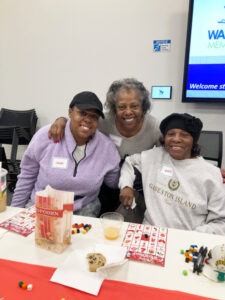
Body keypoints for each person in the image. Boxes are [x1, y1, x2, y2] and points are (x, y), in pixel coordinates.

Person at [48, 78, 161, 222]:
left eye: (134, 106)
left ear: (143, 106)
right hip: (106, 182)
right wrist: (62, 120)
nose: (128, 112)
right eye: (121, 107)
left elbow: (169, 149)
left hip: (136, 186)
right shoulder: (103, 122)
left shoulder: (154, 126)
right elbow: (79, 123)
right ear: (114, 107)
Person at [11, 91, 121, 217]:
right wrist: (15, 212)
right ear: (70, 112)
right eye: (83, 113)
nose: (88, 120)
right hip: (44, 205)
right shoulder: (46, 136)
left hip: (84, 208)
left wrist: (128, 180)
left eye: (94, 117)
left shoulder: (106, 147)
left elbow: (114, 181)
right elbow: (27, 176)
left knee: (82, 237)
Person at [119, 113, 225, 235]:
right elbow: (129, 163)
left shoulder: (211, 175)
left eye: (184, 135)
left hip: (189, 240)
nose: (176, 139)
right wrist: (126, 186)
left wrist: (191, 236)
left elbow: (221, 223)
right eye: (171, 134)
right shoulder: (154, 156)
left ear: (193, 141)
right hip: (150, 234)